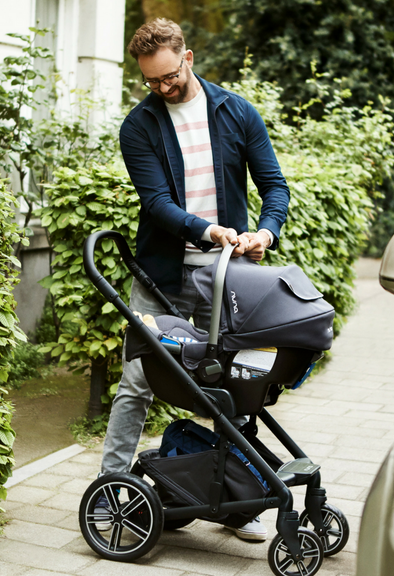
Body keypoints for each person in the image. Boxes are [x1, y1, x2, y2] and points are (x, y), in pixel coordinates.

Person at [98, 18, 290, 541]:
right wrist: (207, 229)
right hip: (162, 275)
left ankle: (238, 503)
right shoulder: (139, 125)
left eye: (168, 77)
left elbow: (274, 185)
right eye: (151, 82)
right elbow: (157, 204)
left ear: (187, 56)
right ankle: (113, 493)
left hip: (228, 277)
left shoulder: (236, 111)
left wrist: (265, 234)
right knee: (136, 385)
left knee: (231, 385)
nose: (162, 88)